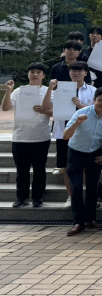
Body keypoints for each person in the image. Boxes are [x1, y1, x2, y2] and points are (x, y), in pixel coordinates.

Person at [63, 87, 102, 236]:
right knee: (77, 188)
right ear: (94, 100)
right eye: (100, 100)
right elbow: (66, 136)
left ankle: (90, 219)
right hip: (76, 153)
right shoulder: (80, 113)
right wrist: (76, 123)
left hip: (95, 154)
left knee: (92, 188)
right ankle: (78, 222)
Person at [41, 61, 96, 208]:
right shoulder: (59, 89)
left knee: (87, 166)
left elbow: (98, 111)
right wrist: (50, 89)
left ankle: (88, 197)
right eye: (73, 71)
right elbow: (47, 107)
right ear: (69, 73)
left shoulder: (92, 90)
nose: (76, 73)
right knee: (67, 166)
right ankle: (71, 197)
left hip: (86, 133)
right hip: (64, 132)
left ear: (85, 73)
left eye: (80, 71)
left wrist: (80, 106)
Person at [2, 63, 50, 208]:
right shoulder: (19, 91)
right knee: (21, 171)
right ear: (28, 74)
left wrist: (44, 111)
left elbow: (55, 112)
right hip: (20, 136)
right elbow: (5, 108)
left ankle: (37, 198)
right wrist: (8, 91)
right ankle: (21, 197)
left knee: (39, 170)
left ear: (43, 75)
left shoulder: (49, 91)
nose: (35, 74)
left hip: (41, 136)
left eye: (38, 72)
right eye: (32, 72)